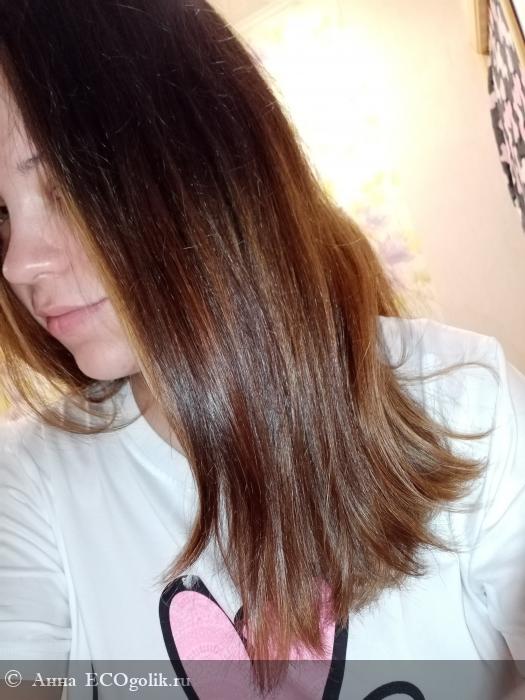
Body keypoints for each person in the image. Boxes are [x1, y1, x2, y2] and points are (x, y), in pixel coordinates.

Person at [0, 1, 524, 699]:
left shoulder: (462, 399)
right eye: (1, 214)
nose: (17, 264)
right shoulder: (29, 482)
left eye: (66, 187)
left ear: (204, 160)